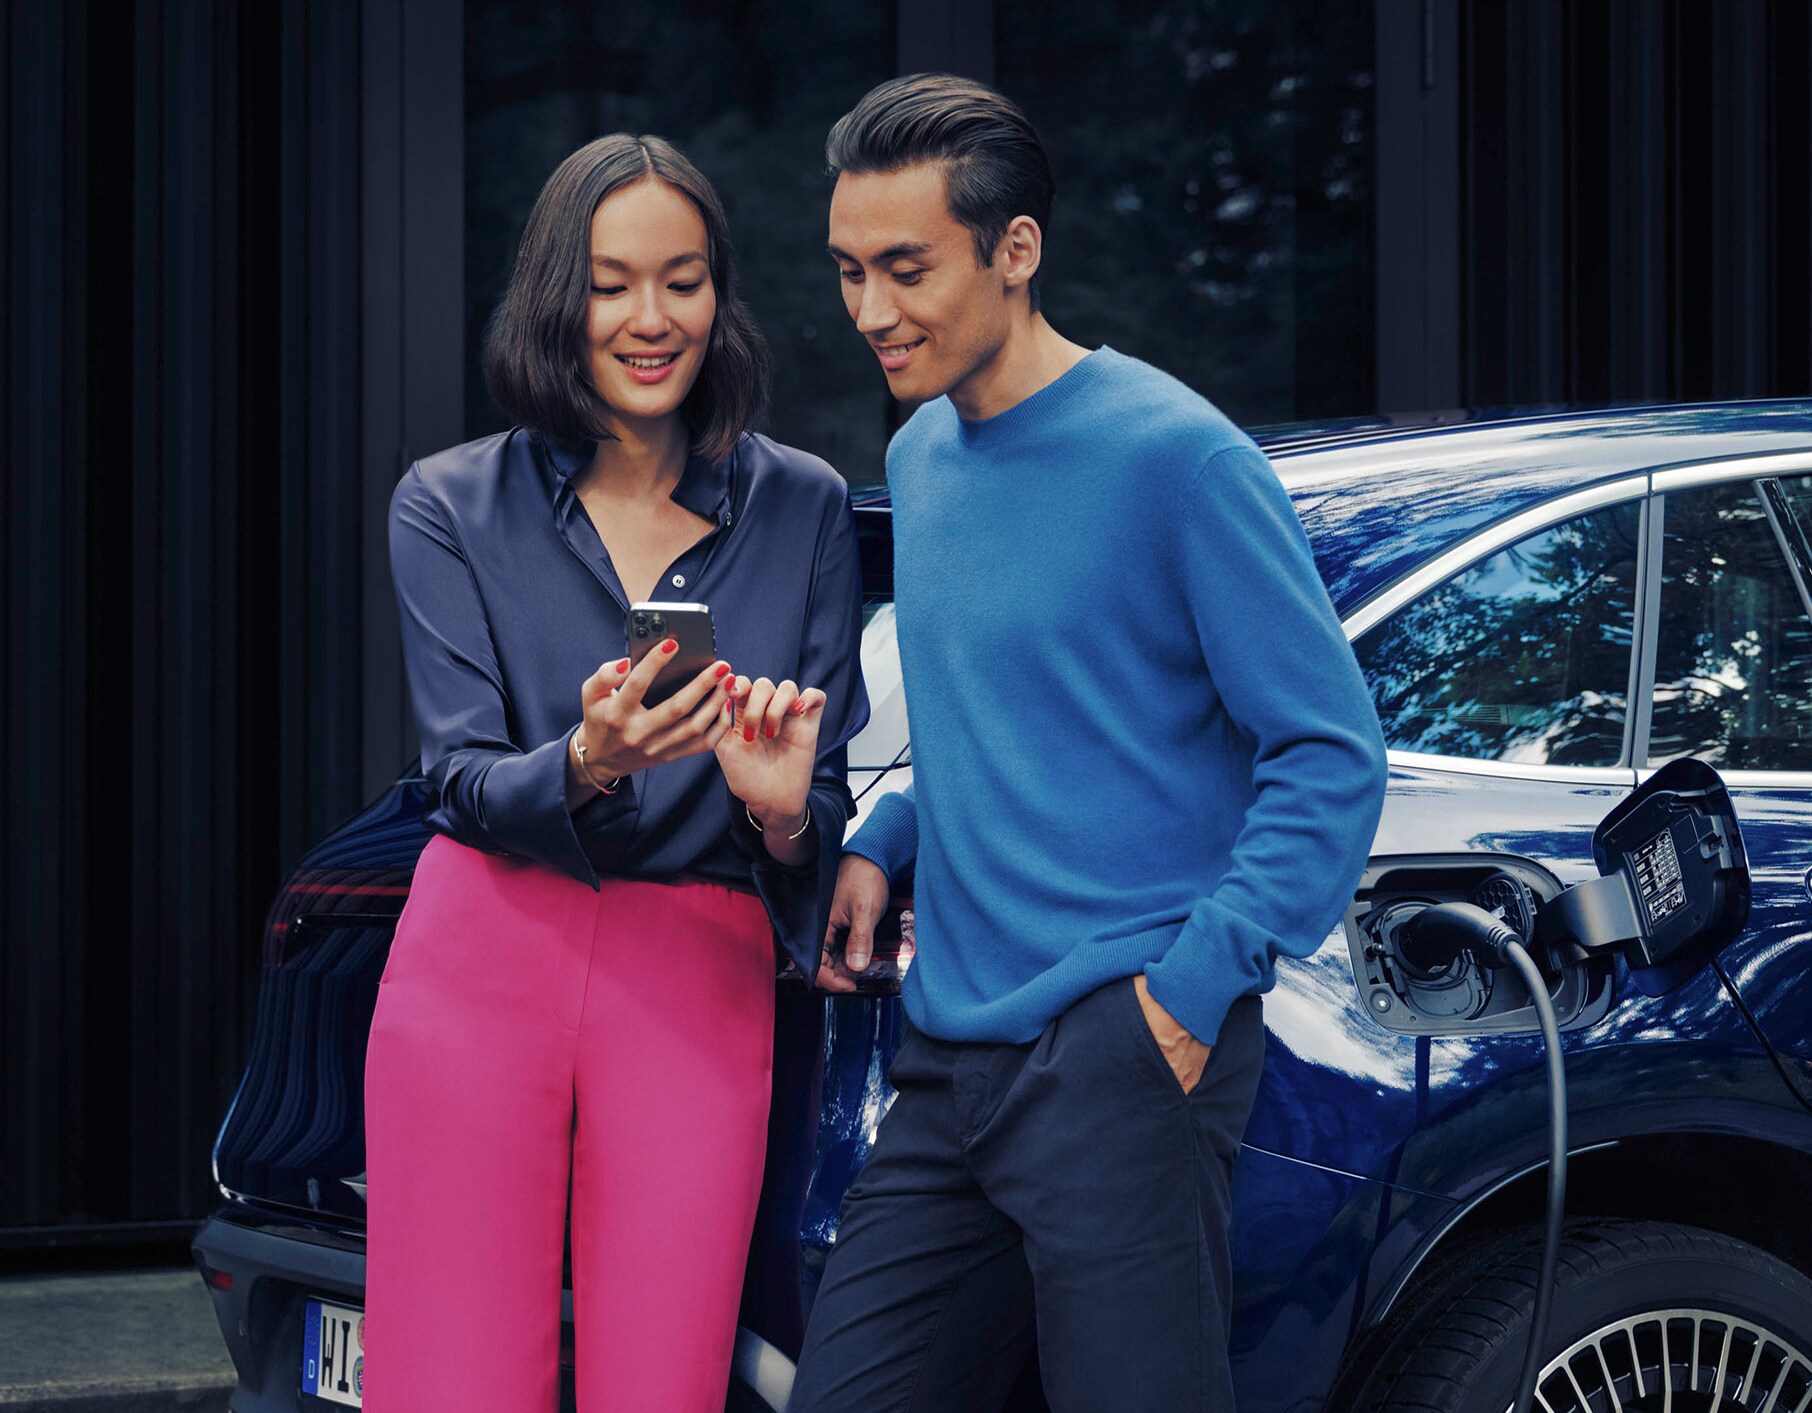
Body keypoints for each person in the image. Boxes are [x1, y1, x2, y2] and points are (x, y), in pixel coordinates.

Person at [788, 75, 1389, 1412]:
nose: (871, 311)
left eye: (904, 268)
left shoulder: (1179, 461)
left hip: (1125, 1051)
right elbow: (1008, 719)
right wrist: (890, 837)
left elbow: (1330, 750)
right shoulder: (928, 460)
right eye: (847, 272)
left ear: (1016, 251)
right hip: (950, 1059)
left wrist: (1190, 990)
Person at [364, 134, 867, 1413]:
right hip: (482, 952)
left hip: (696, 975)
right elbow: (459, 777)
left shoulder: (803, 505)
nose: (652, 319)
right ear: (555, 296)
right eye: (611, 282)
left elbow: (817, 811)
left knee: (664, 1382)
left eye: (684, 280)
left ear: (720, 293)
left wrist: (780, 811)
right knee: (453, 1382)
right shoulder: (446, 505)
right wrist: (587, 758)